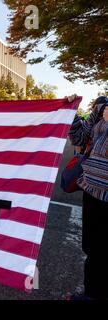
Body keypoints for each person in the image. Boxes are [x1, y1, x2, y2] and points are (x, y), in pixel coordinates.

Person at [68, 95, 108, 300]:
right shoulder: (102, 106)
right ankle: (92, 294)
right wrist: (71, 111)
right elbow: (79, 138)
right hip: (93, 189)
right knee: (93, 248)